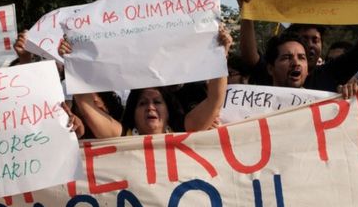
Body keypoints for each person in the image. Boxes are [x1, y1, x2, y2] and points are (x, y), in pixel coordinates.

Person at [59, 26, 232, 137]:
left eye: (157, 102)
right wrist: (74, 60)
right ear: (133, 112)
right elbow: (86, 106)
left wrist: (220, 54)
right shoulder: (120, 136)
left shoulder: (185, 131)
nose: (150, 107)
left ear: (169, 110)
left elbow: (215, 101)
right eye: (142, 103)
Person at [237, 0, 358, 92]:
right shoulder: (272, 73)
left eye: (315, 40)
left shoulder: (330, 72)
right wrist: (246, 11)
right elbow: (250, 56)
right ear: (271, 69)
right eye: (304, 39)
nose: (310, 45)